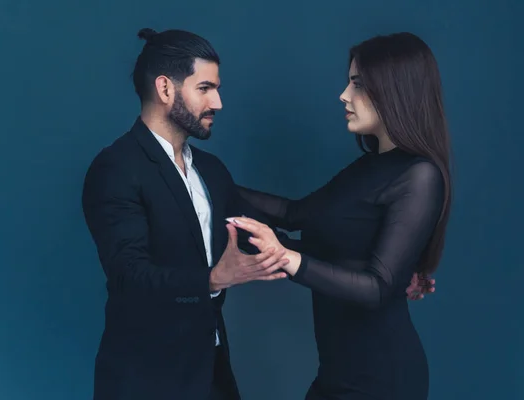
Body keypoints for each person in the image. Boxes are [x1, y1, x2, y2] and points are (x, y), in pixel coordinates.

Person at [81, 28, 435, 400]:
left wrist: (391, 268)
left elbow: (276, 242)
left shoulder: (210, 170)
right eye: (205, 88)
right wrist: (213, 279)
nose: (218, 102)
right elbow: (128, 277)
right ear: (166, 89)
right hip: (145, 376)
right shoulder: (117, 167)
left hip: (212, 371)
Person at [230, 32, 451, 400]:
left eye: (358, 84)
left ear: (395, 90)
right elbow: (294, 213)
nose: (344, 95)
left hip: (380, 380)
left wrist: (286, 258)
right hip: (337, 373)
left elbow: (378, 287)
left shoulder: (419, 175)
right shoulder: (370, 166)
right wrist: (207, 178)